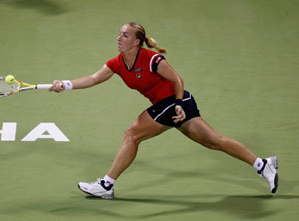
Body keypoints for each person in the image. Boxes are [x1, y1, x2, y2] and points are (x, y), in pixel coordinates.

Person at [48, 22, 278, 199]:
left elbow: (177, 79)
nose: (119, 38)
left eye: (125, 35)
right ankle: (262, 165)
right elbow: (92, 78)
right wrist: (65, 85)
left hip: (174, 101)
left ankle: (106, 185)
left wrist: (177, 103)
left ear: (137, 42)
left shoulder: (151, 59)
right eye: (119, 34)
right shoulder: (117, 63)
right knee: (213, 141)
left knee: (132, 134)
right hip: (172, 105)